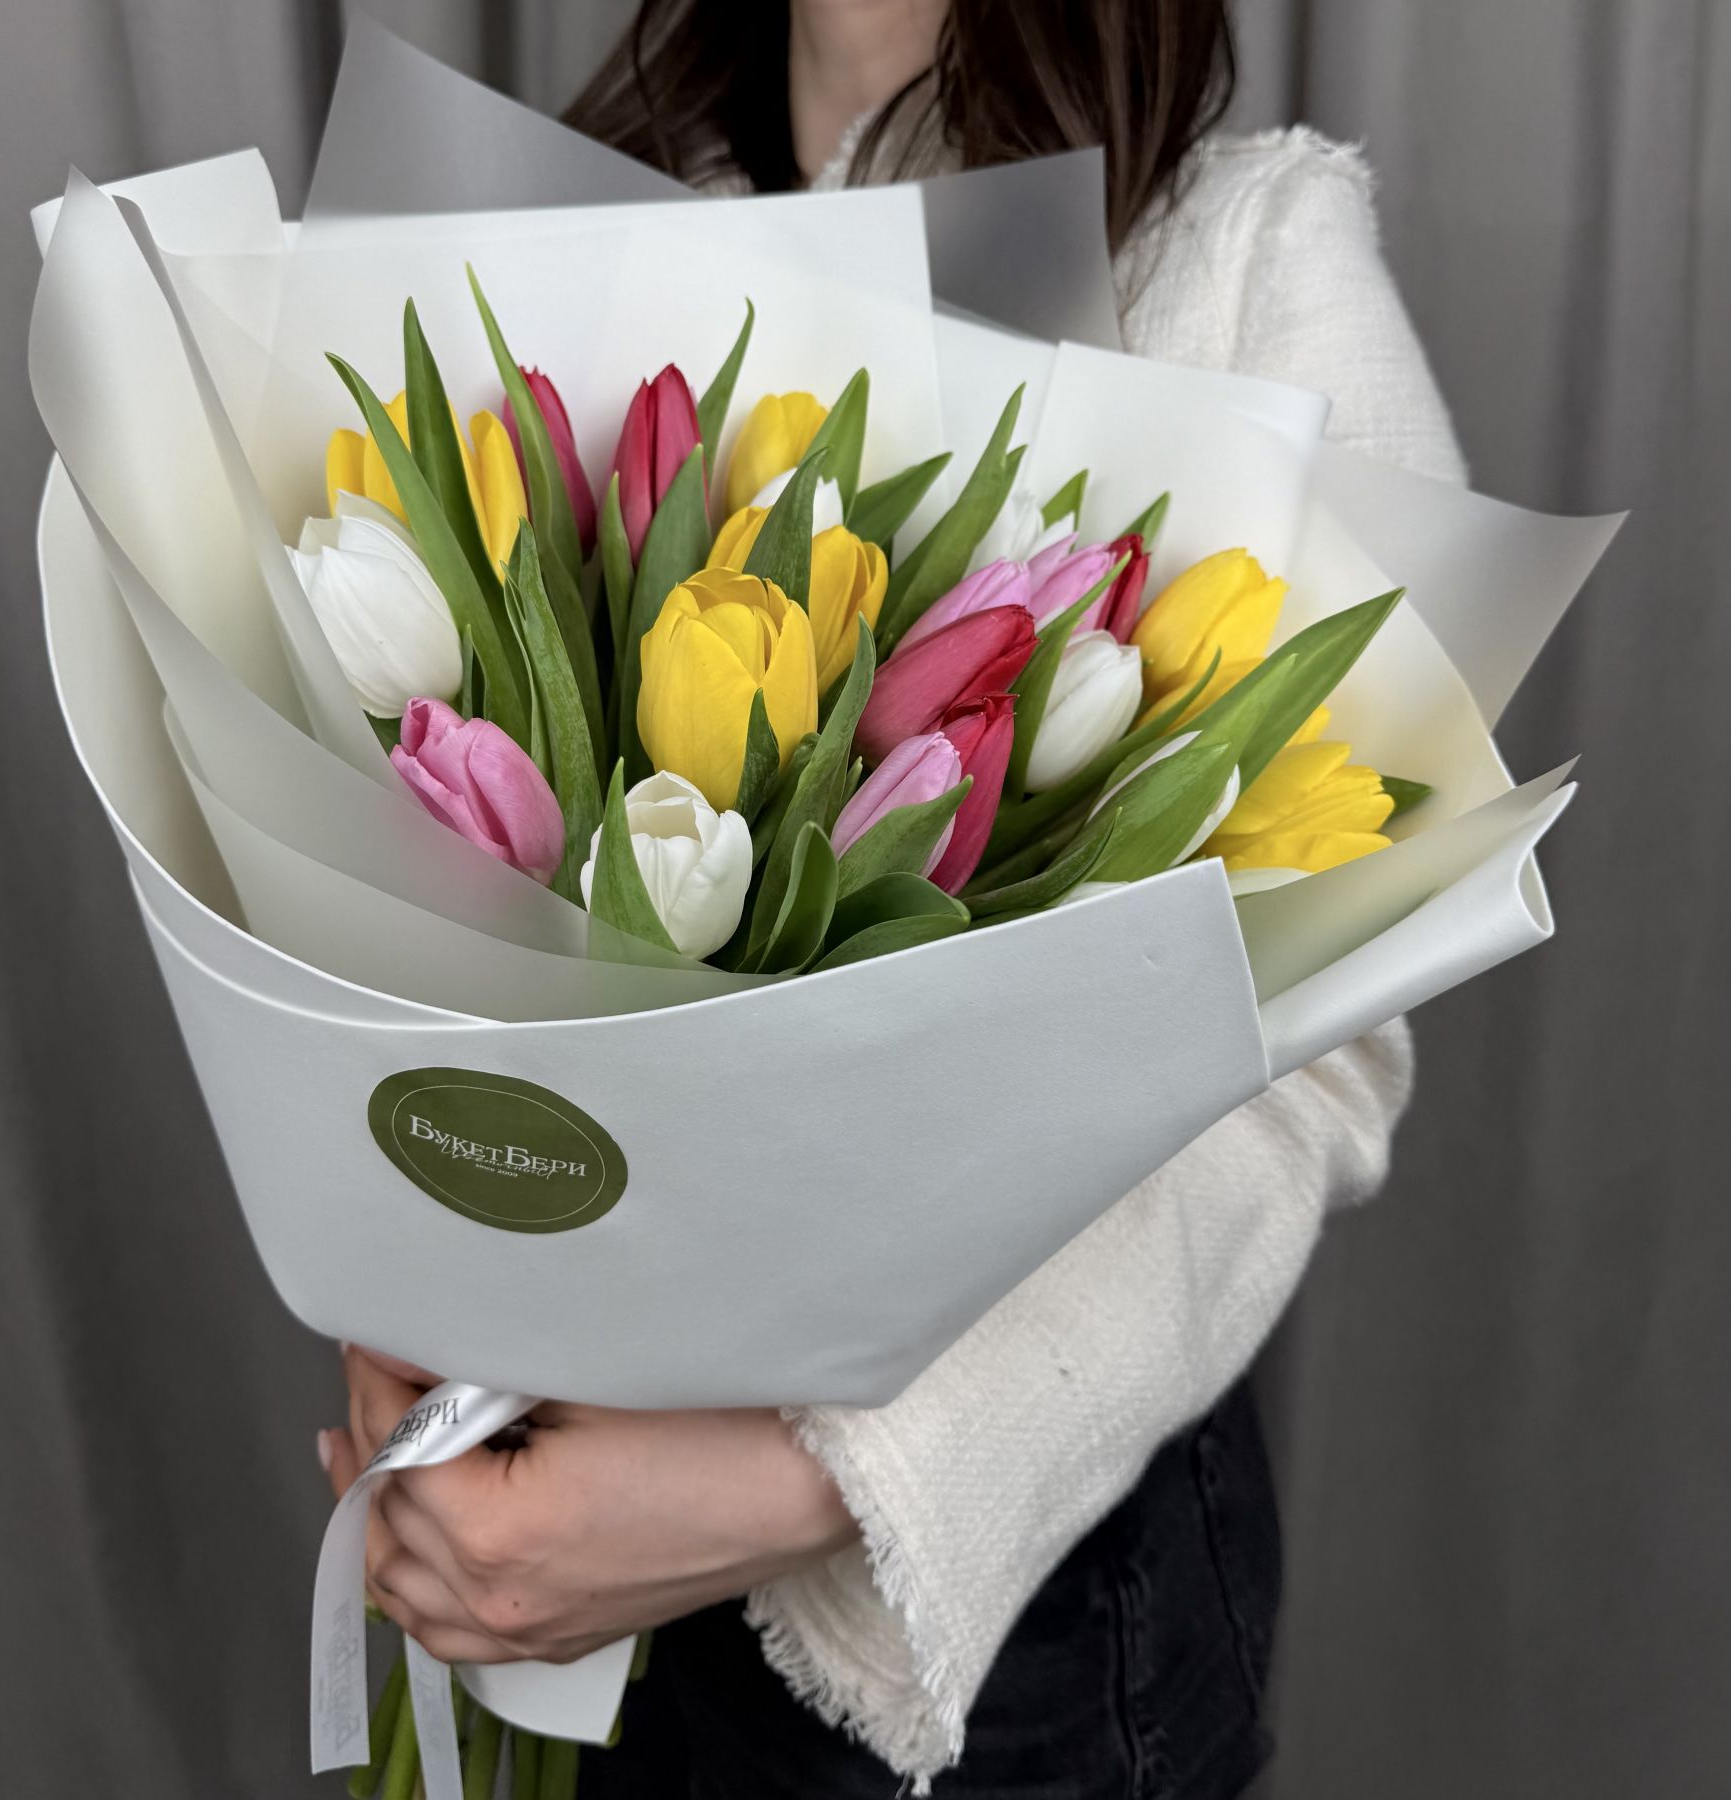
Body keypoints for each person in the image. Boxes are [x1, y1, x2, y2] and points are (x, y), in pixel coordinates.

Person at [320, 2, 1464, 1792]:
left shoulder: (1245, 254)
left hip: (1000, 1607)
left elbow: (1315, 1063)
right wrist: (418, 1289)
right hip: (550, 1527)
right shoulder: (591, 214)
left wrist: (817, 1480)